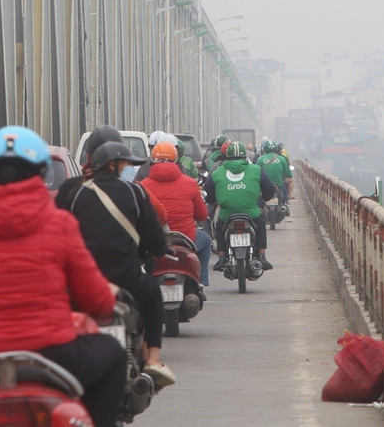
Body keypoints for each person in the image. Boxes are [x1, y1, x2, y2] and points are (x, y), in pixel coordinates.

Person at [0, 126, 124, 427]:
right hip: (54, 353)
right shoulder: (59, 223)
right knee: (114, 354)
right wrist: (106, 296)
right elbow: (97, 302)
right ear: (40, 172)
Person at [62, 139, 176, 388]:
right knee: (154, 295)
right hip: (128, 279)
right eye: (125, 164)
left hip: (86, 282)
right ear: (114, 166)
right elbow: (155, 240)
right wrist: (158, 249)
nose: (128, 168)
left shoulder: (77, 194)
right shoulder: (135, 193)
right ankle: (153, 359)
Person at [139, 141, 213, 287]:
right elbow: (202, 215)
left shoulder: (143, 186)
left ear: (152, 161)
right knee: (205, 240)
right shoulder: (190, 183)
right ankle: (201, 282)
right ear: (176, 160)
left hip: (154, 241)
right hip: (187, 239)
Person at [203, 141, 276, 271]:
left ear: (226, 156)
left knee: (219, 227)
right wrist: (265, 198)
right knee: (260, 225)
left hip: (226, 214)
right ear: (245, 156)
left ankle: (221, 257)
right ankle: (262, 256)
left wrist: (215, 201)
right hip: (251, 213)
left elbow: (208, 193)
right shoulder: (256, 170)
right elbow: (269, 188)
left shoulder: (216, 173)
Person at [256, 139, 293, 207]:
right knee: (284, 190)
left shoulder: (260, 159)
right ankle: (285, 205)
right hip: (279, 185)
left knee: (258, 199)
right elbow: (289, 175)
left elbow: (256, 174)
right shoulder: (282, 159)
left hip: (265, 186)